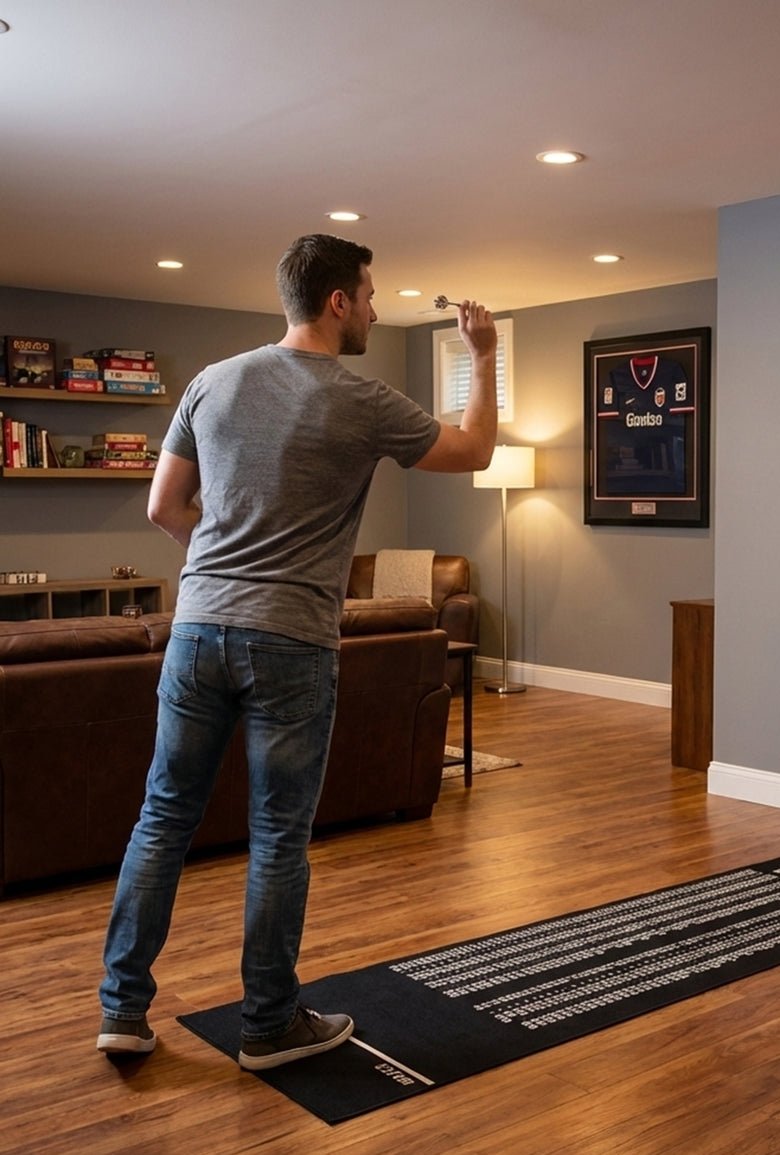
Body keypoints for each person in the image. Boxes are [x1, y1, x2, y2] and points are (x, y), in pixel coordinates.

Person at [97, 233, 497, 1069]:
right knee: (277, 836)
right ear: (339, 302)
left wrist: (217, 568)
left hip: (198, 627)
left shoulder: (211, 380)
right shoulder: (359, 397)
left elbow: (164, 507)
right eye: (371, 294)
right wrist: (483, 357)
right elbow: (473, 452)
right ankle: (269, 1025)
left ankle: (123, 1012)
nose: (378, 309)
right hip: (291, 640)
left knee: (163, 817)